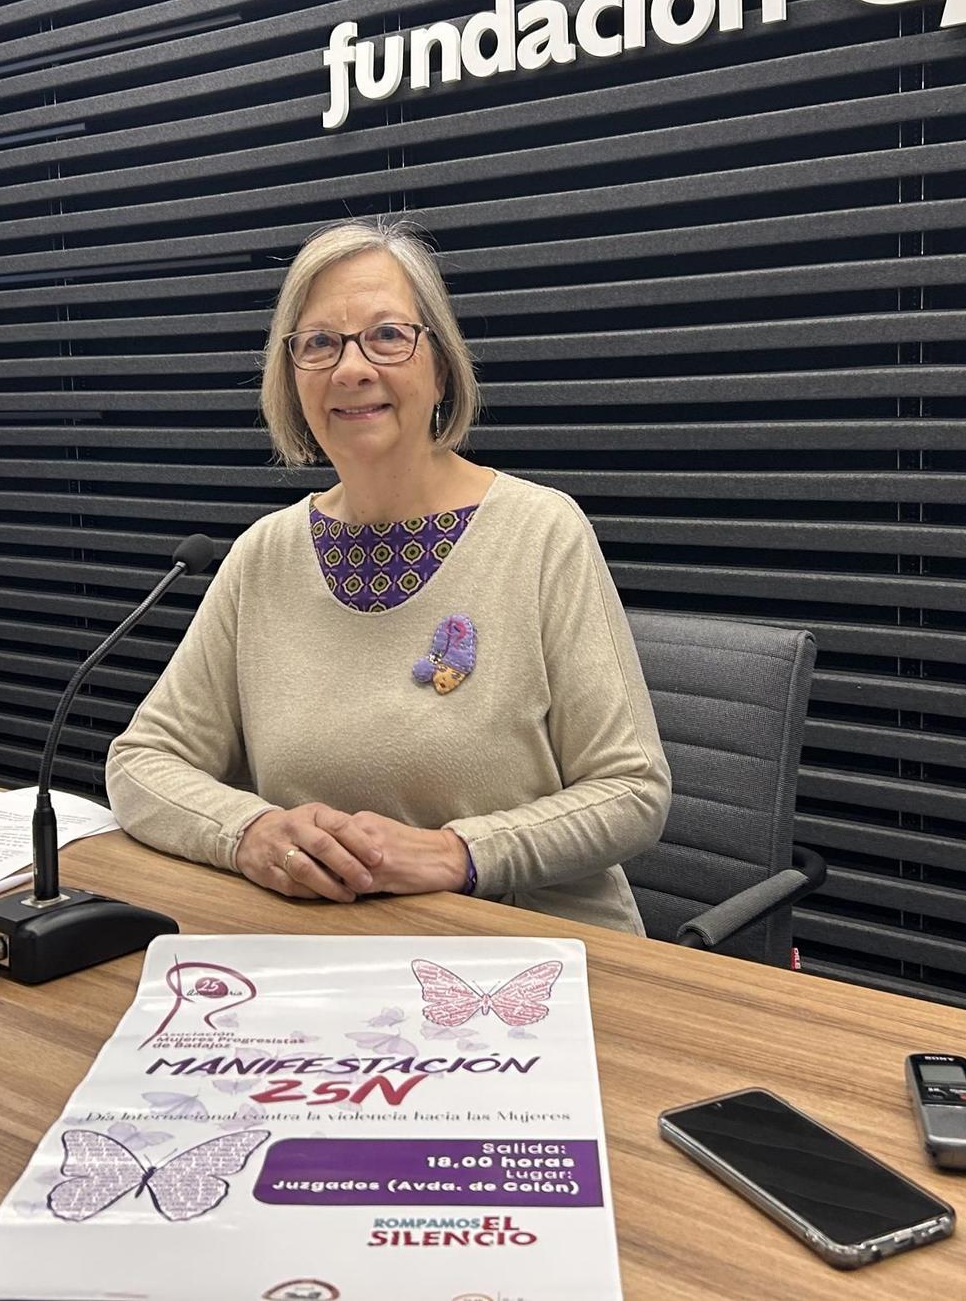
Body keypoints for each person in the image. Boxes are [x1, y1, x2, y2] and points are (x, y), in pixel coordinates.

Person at [105, 218, 670, 934]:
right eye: (319, 344)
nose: (351, 369)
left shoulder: (541, 532)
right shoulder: (264, 556)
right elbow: (140, 762)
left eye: (387, 335)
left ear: (439, 365)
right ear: (293, 380)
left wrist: (456, 854)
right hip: (327, 948)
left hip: (530, 949)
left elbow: (634, 790)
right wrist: (248, 833)